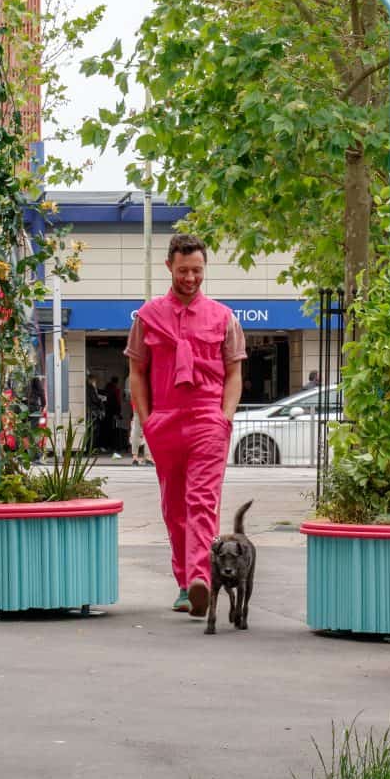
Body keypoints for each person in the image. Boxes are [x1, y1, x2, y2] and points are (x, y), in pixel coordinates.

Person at [127, 231, 244, 617]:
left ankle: (200, 580)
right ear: (169, 266)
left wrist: (224, 417)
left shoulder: (224, 317)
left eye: (196, 270)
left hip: (208, 419)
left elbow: (233, 372)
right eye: (183, 270)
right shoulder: (147, 318)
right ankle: (184, 582)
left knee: (202, 502)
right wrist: (148, 421)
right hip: (166, 422)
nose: (190, 278)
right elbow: (137, 372)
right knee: (174, 507)